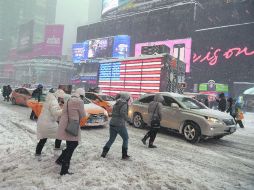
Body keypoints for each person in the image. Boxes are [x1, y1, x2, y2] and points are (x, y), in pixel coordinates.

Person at [56, 88, 86, 175]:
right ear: (81, 95)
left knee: (70, 145)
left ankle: (60, 160)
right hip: (72, 126)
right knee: (73, 145)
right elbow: (83, 115)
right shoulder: (80, 102)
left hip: (65, 125)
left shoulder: (69, 100)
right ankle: (64, 170)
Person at [35, 89, 65, 157]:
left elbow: (51, 110)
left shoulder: (49, 99)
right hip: (48, 123)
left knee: (43, 138)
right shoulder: (54, 101)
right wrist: (64, 110)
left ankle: (37, 152)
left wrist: (59, 107)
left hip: (43, 122)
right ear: (58, 96)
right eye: (61, 97)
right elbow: (55, 112)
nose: (61, 99)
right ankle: (57, 149)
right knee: (59, 134)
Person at [101, 92, 131, 159]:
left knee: (111, 139)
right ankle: (124, 155)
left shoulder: (117, 103)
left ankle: (104, 153)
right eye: (128, 98)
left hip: (112, 123)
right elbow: (122, 113)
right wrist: (128, 119)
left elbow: (114, 112)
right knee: (126, 138)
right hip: (119, 124)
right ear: (126, 98)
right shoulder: (124, 104)